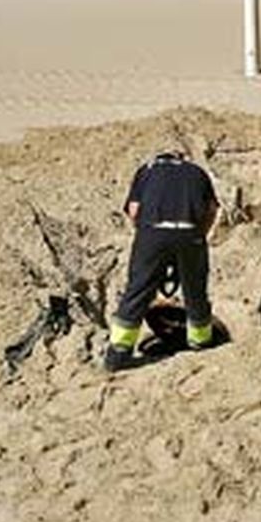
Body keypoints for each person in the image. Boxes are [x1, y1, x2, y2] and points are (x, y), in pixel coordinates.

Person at [105, 151, 220, 372]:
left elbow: (134, 210)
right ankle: (201, 344)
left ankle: (118, 355)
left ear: (159, 159)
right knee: (195, 290)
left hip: (152, 231)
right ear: (181, 158)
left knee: (138, 291)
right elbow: (212, 209)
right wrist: (199, 235)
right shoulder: (197, 172)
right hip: (191, 233)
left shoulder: (147, 170)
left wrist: (148, 237)